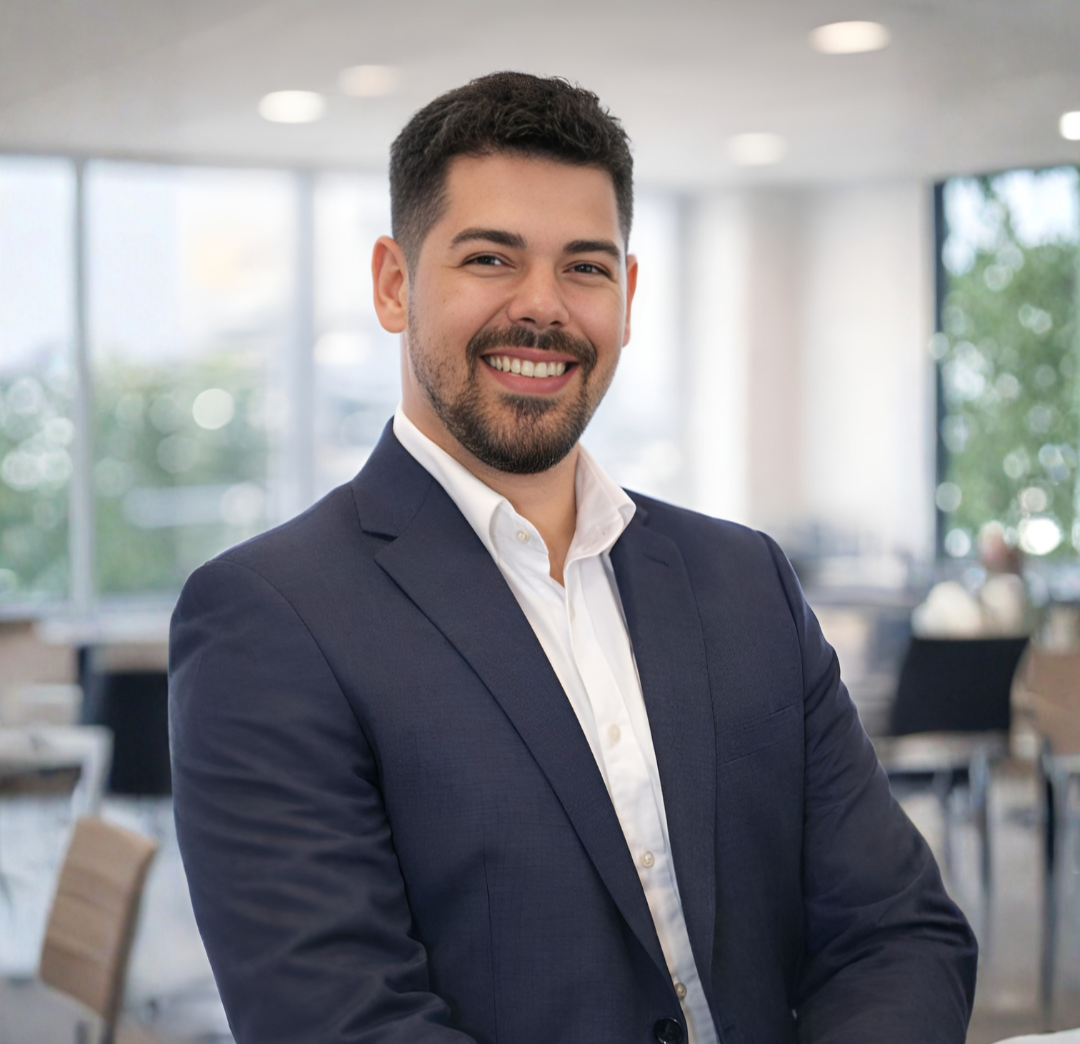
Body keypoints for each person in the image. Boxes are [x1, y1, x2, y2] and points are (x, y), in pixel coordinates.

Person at [169, 72, 977, 1044]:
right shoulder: (269, 617)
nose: (542, 307)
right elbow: (343, 1024)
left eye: (585, 268)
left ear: (628, 297)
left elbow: (898, 932)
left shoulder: (744, 581)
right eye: (490, 258)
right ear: (393, 283)